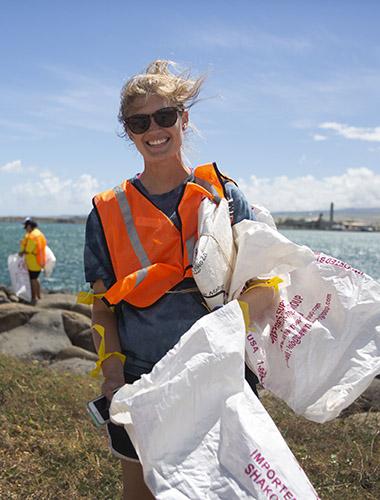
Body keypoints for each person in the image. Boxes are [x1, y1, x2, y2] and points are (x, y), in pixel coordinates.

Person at [83, 60, 275, 499]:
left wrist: (219, 334)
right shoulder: (106, 210)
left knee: (223, 489)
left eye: (165, 116)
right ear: (127, 131)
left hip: (222, 379)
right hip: (142, 380)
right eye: (139, 121)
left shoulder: (224, 196)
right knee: (142, 491)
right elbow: (102, 304)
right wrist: (113, 378)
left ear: (184, 119)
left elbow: (264, 287)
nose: (154, 129)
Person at [19, 217, 47, 305]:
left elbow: (28, 249)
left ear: (30, 226)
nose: (25, 229)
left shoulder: (32, 236)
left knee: (33, 280)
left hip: (33, 262)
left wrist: (22, 252)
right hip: (40, 260)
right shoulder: (39, 234)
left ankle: (34, 298)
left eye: (26, 226)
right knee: (36, 278)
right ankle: (39, 295)